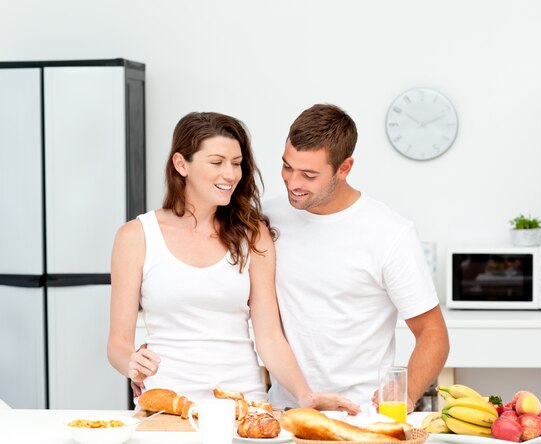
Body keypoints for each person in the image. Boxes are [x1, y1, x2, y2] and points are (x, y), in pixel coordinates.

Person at [107, 111, 359, 412]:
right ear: (181, 164)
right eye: (216, 162)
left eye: (237, 164)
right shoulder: (136, 236)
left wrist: (306, 397)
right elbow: (118, 344)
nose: (230, 174)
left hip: (242, 403)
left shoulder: (253, 235)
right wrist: (131, 363)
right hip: (165, 403)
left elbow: (269, 337)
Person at [263, 104, 450, 411]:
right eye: (287, 167)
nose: (293, 183)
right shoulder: (267, 218)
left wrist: (405, 396)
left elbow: (433, 333)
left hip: (361, 414)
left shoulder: (390, 234)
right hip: (286, 411)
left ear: (344, 168)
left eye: (309, 175)